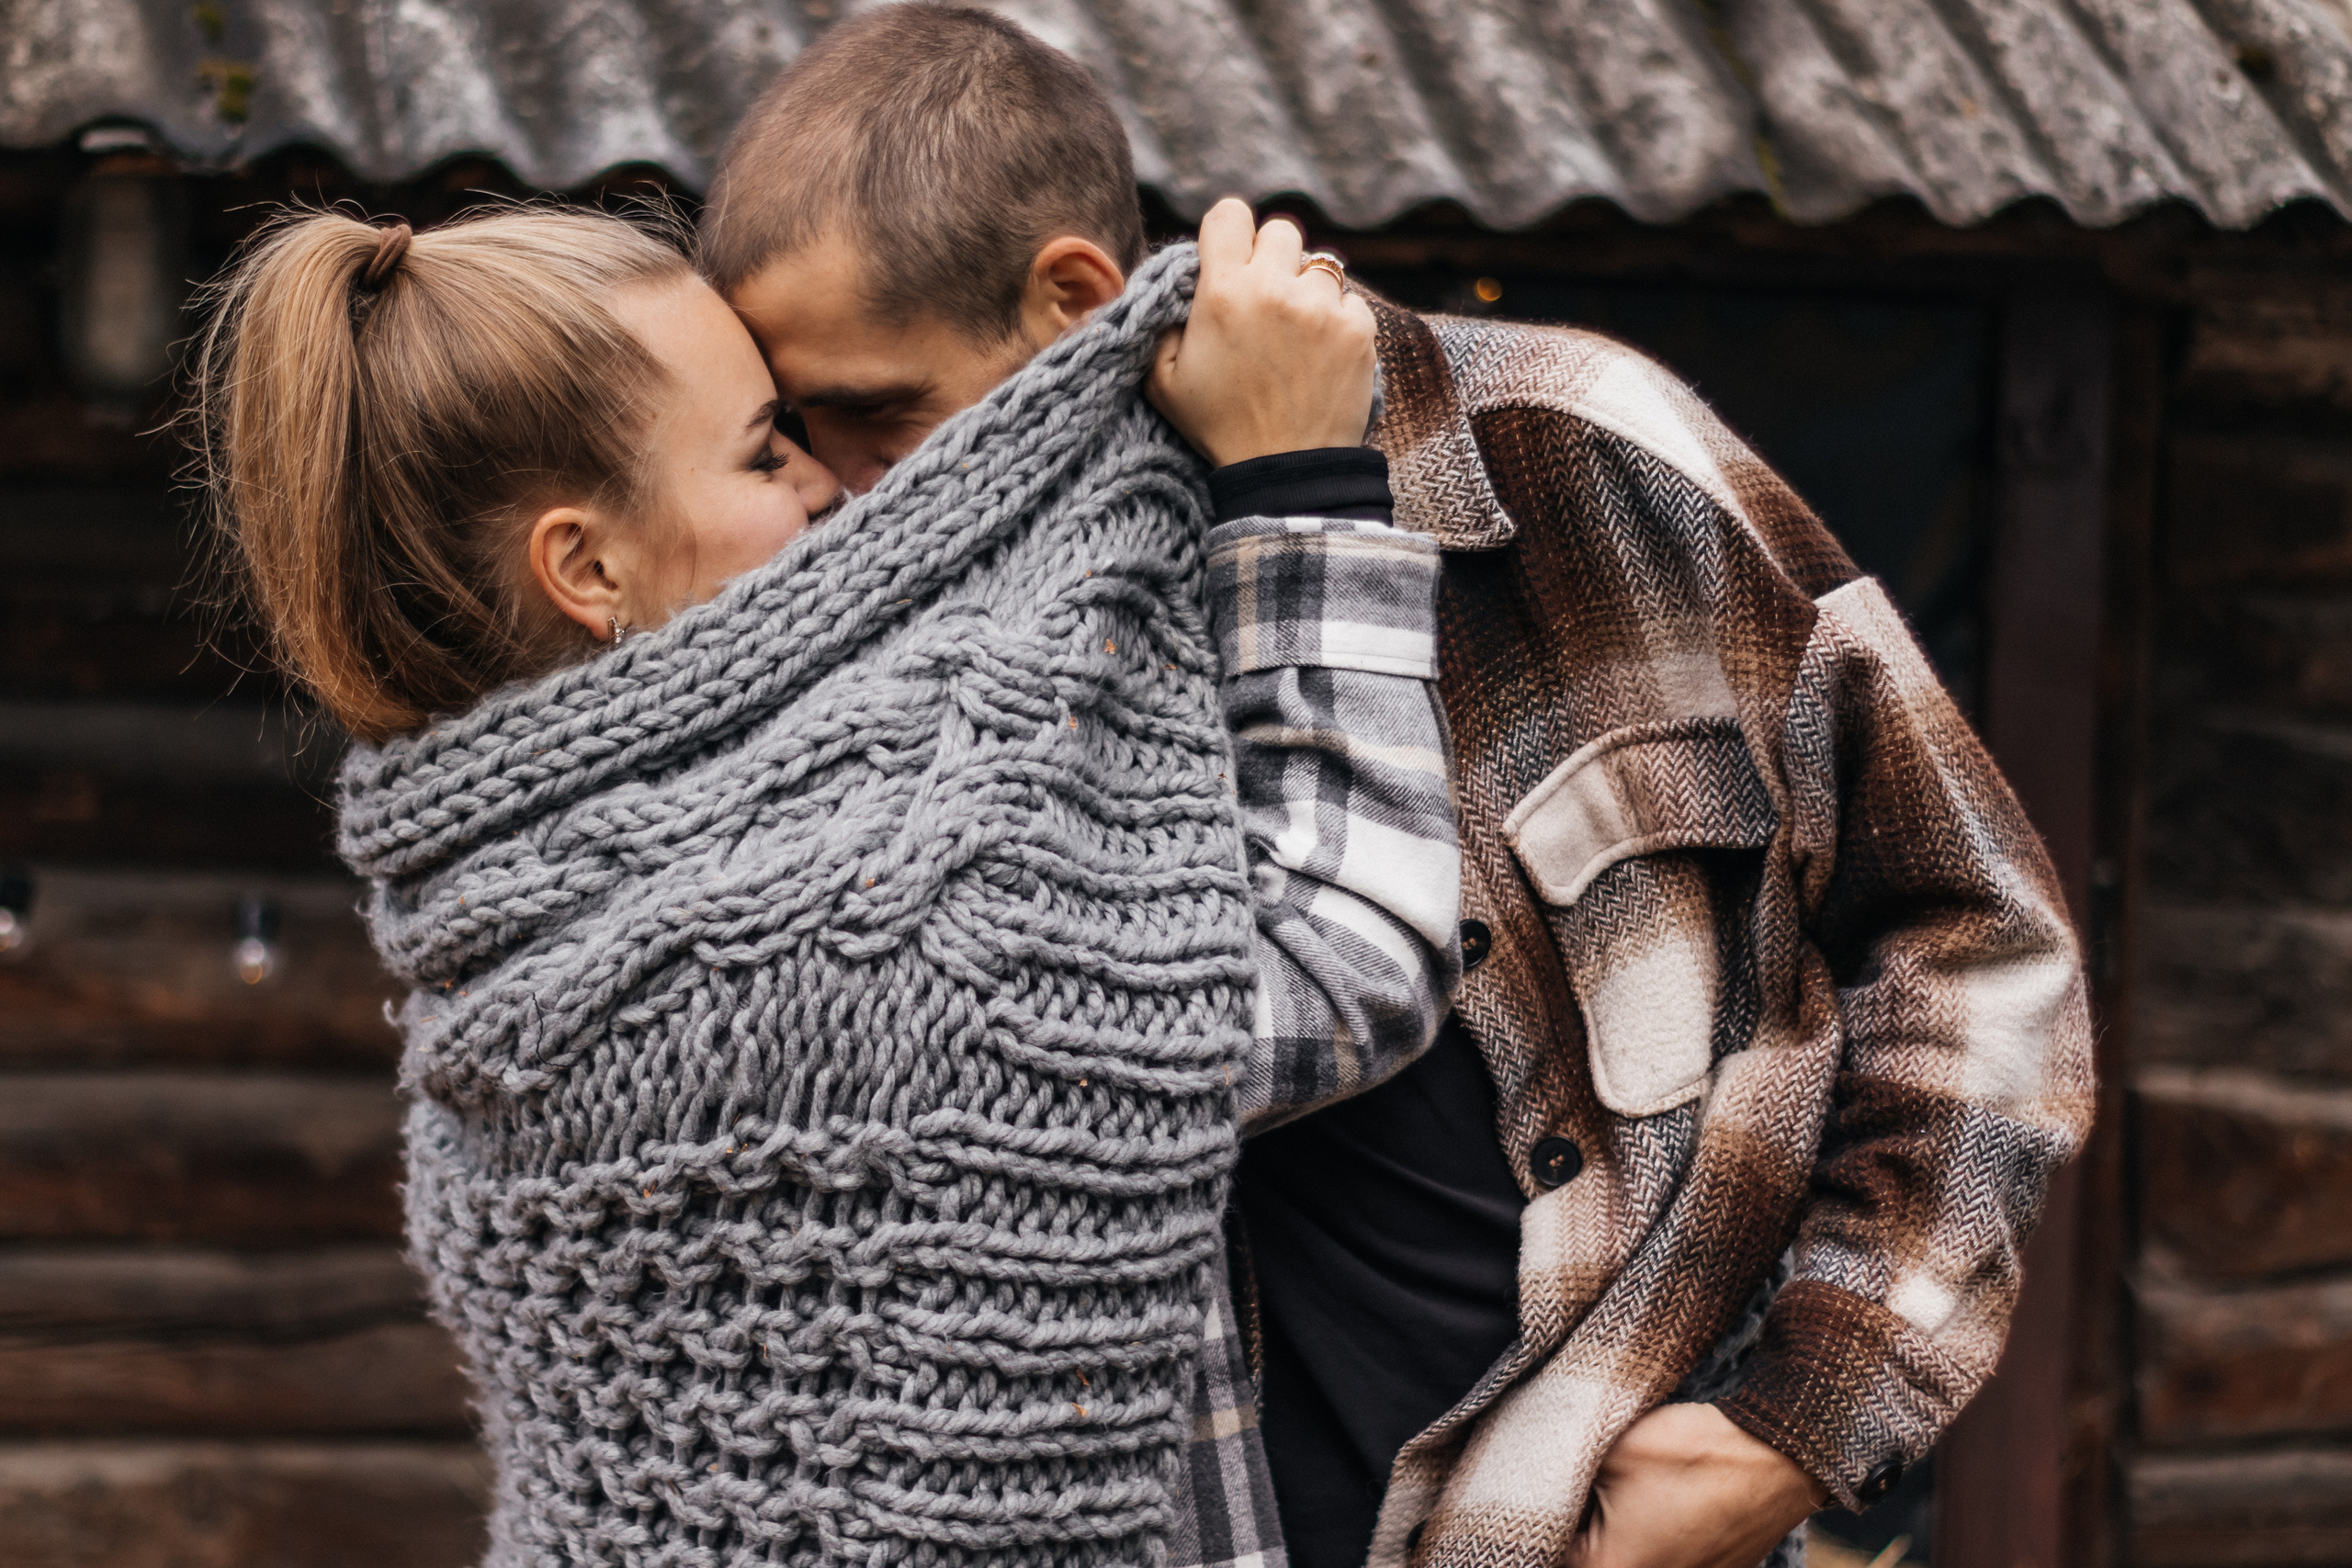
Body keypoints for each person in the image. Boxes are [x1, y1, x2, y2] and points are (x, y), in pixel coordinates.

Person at [696, 8, 2097, 1568]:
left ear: (1072, 298)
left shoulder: (1572, 457)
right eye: (793, 433)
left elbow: (1974, 947)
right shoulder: (883, 655)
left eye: (877, 415)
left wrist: (1798, 1421)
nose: (834, 490)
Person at [186, 202, 1461, 1564]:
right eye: (765, 447)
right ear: (588, 566)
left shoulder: (499, 927)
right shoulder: (818, 941)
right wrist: (1296, 487)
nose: (833, 485)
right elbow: (1347, 960)